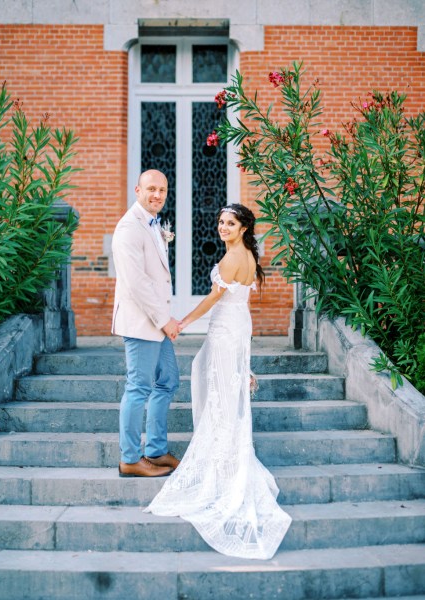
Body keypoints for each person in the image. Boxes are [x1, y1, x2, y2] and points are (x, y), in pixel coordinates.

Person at [145, 203, 292, 559]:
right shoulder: (247, 257)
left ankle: (224, 462)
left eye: (230, 223)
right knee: (222, 390)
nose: (223, 227)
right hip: (237, 330)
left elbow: (213, 299)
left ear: (243, 228)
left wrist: (180, 321)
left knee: (220, 393)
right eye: (221, 221)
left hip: (227, 332)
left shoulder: (231, 260)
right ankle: (225, 453)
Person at [111, 169, 180, 478]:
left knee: (167, 381)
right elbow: (136, 283)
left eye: (162, 190)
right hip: (142, 323)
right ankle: (129, 457)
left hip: (157, 323)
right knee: (138, 387)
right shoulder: (129, 227)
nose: (157, 195)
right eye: (151, 189)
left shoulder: (154, 225)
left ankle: (155, 450)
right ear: (137, 190)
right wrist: (165, 319)